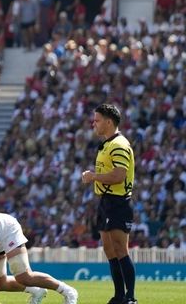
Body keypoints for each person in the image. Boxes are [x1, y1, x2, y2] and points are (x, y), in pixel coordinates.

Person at [82, 104, 137, 304]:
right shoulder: (107, 144)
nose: (93, 123)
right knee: (109, 250)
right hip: (106, 201)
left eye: (97, 120)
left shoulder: (119, 145)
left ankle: (130, 297)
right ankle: (119, 296)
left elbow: (119, 176)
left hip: (118, 202)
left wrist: (93, 177)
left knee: (121, 249)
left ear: (109, 122)